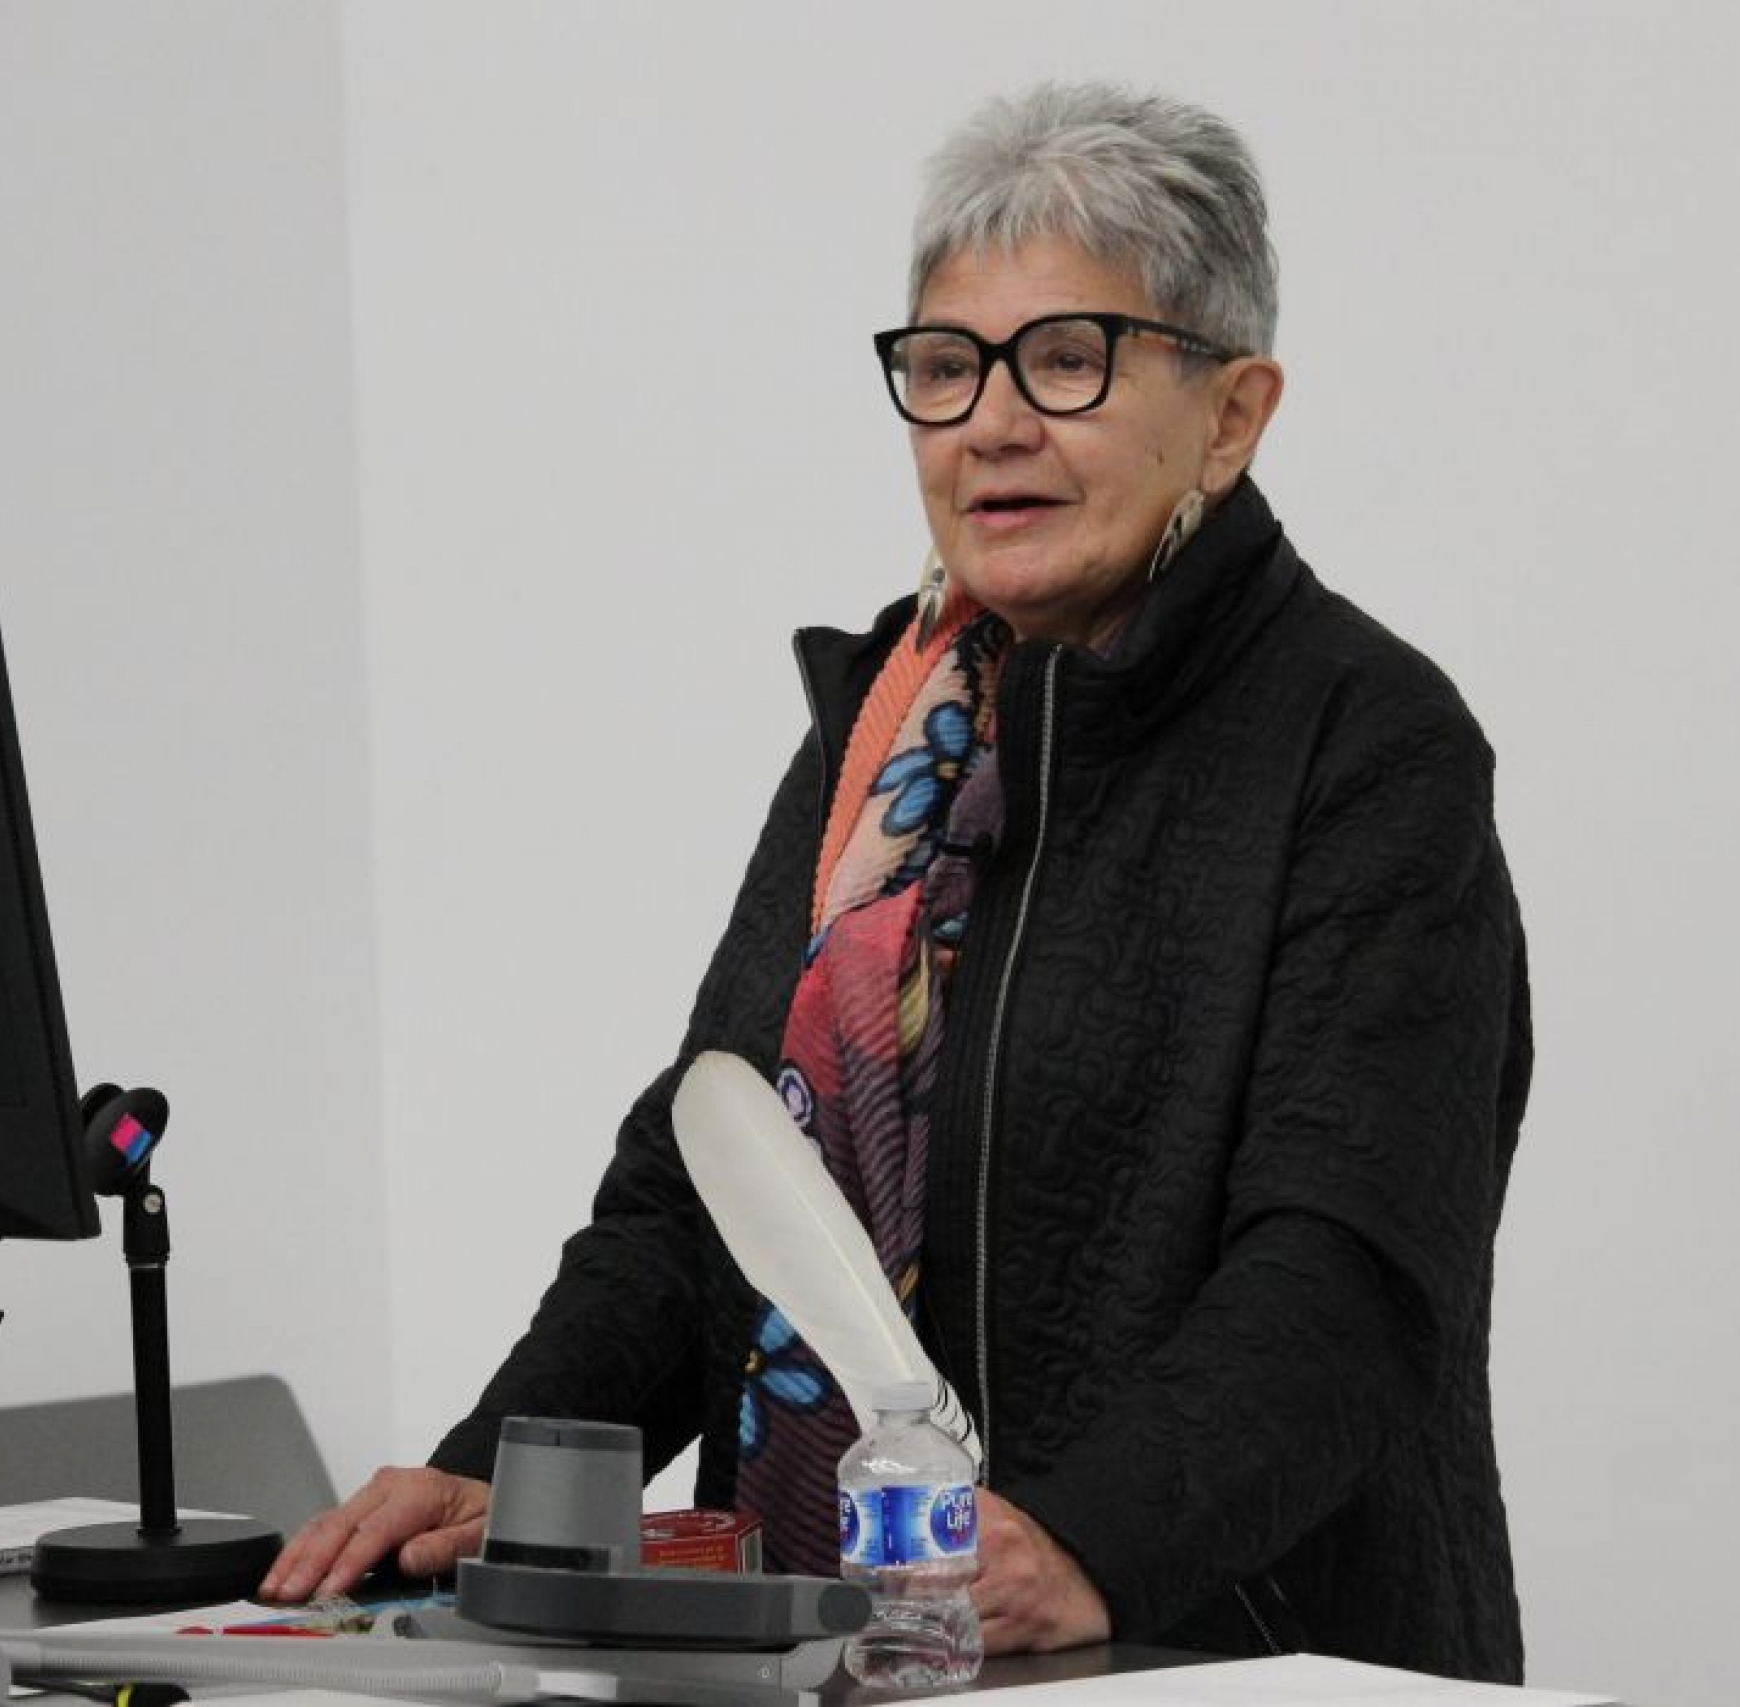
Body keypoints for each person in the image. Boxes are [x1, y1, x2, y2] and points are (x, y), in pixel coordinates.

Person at [261, 81, 1530, 1684]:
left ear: (1233, 411)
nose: (993, 422)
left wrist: (1089, 1542)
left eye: (1068, 359)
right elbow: (703, 1188)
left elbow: (1347, 1270)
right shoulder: (888, 735)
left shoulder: (1366, 743)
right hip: (839, 1651)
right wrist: (502, 1473)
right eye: (945, 368)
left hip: (1212, 1653)